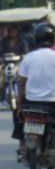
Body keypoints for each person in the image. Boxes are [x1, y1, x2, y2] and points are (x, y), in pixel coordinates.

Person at [16, 22, 55, 155]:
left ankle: (22, 143)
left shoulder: (28, 57)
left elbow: (22, 83)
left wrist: (20, 106)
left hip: (30, 102)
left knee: (18, 115)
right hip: (51, 103)